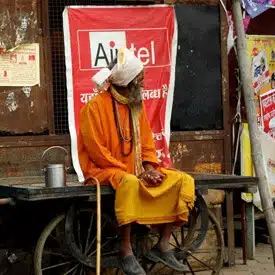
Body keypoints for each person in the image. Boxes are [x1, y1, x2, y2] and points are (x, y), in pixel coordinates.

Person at [78, 48, 195, 275]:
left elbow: (148, 145)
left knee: (182, 180)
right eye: (139, 79)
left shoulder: (136, 107)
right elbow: (97, 152)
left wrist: (149, 167)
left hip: (136, 170)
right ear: (126, 82)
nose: (143, 83)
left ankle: (162, 244)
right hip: (103, 171)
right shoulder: (94, 107)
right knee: (130, 182)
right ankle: (125, 250)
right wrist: (134, 172)